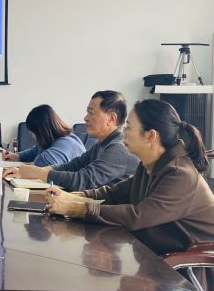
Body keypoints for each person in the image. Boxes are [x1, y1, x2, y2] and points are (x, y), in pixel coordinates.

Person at [45, 99, 214, 256]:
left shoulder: (179, 174)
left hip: (188, 268)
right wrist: (71, 197)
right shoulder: (150, 165)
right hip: (158, 257)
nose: (123, 134)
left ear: (151, 136)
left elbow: (138, 216)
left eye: (129, 128)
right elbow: (113, 194)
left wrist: (75, 208)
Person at [5, 91, 139, 190]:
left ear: (111, 118)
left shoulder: (118, 148)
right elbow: (74, 165)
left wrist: (39, 173)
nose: (85, 118)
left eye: (91, 112)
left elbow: (83, 180)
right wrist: (38, 170)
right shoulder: (102, 144)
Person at [3, 104, 85, 166]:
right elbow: (36, 150)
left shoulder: (62, 147)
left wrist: (18, 166)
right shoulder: (63, 138)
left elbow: (40, 166)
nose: (31, 135)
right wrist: (17, 156)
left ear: (41, 132)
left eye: (32, 131)